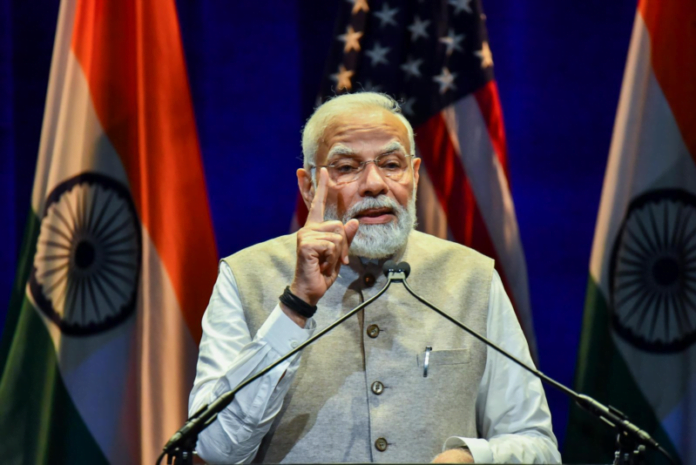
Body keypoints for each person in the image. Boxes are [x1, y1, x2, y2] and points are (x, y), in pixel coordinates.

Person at [189, 92, 562, 464]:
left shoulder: (473, 278)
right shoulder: (244, 277)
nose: (374, 184)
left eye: (391, 164)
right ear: (308, 187)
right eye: (347, 167)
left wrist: (475, 458)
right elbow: (216, 450)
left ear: (414, 175)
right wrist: (295, 304)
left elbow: (537, 444)